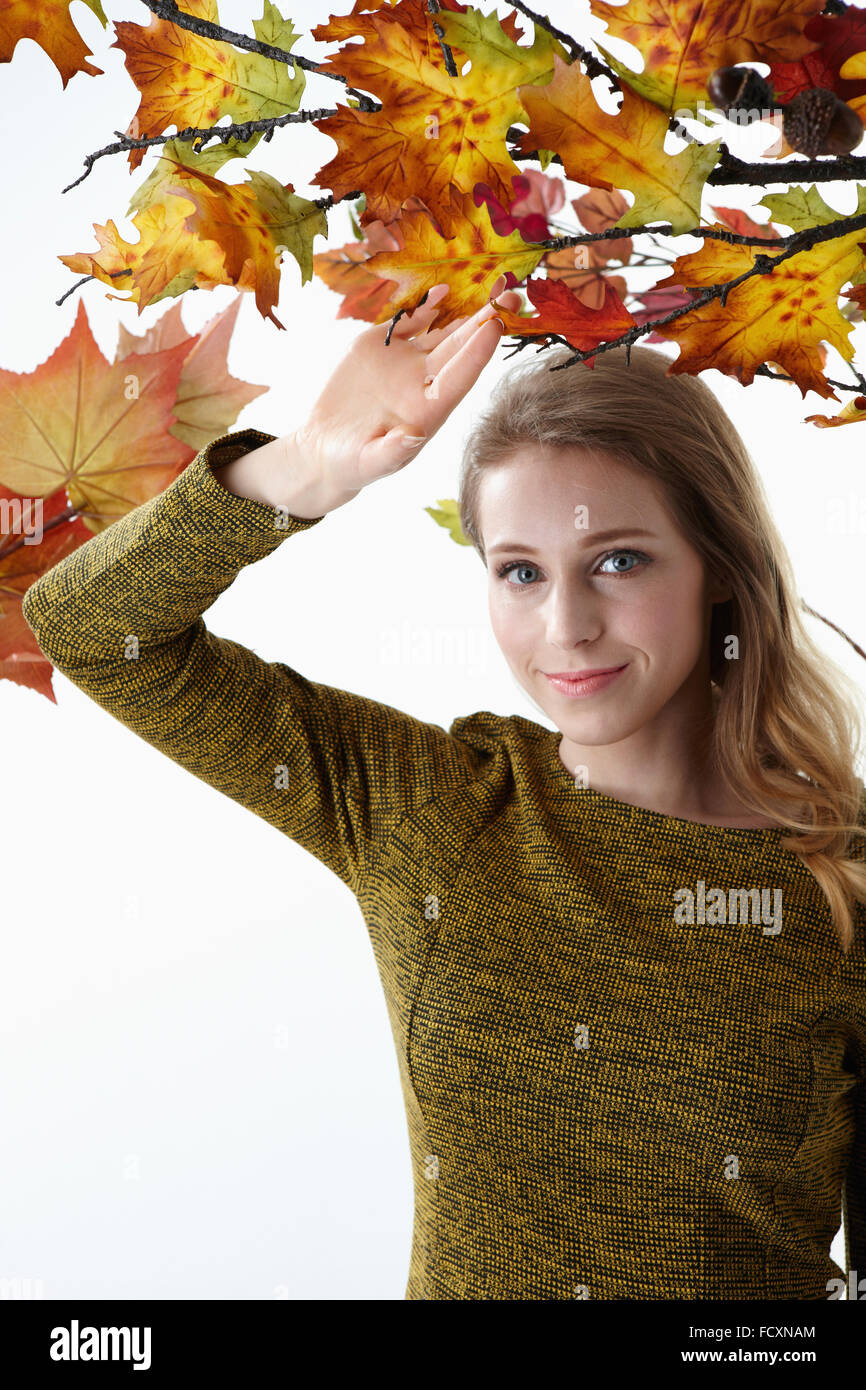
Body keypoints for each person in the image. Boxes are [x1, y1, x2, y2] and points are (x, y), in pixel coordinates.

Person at [22, 274, 866, 1301]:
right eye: (520, 571)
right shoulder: (426, 802)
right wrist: (305, 466)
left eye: (618, 561)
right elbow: (91, 628)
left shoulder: (845, 879)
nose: (565, 627)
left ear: (717, 564)